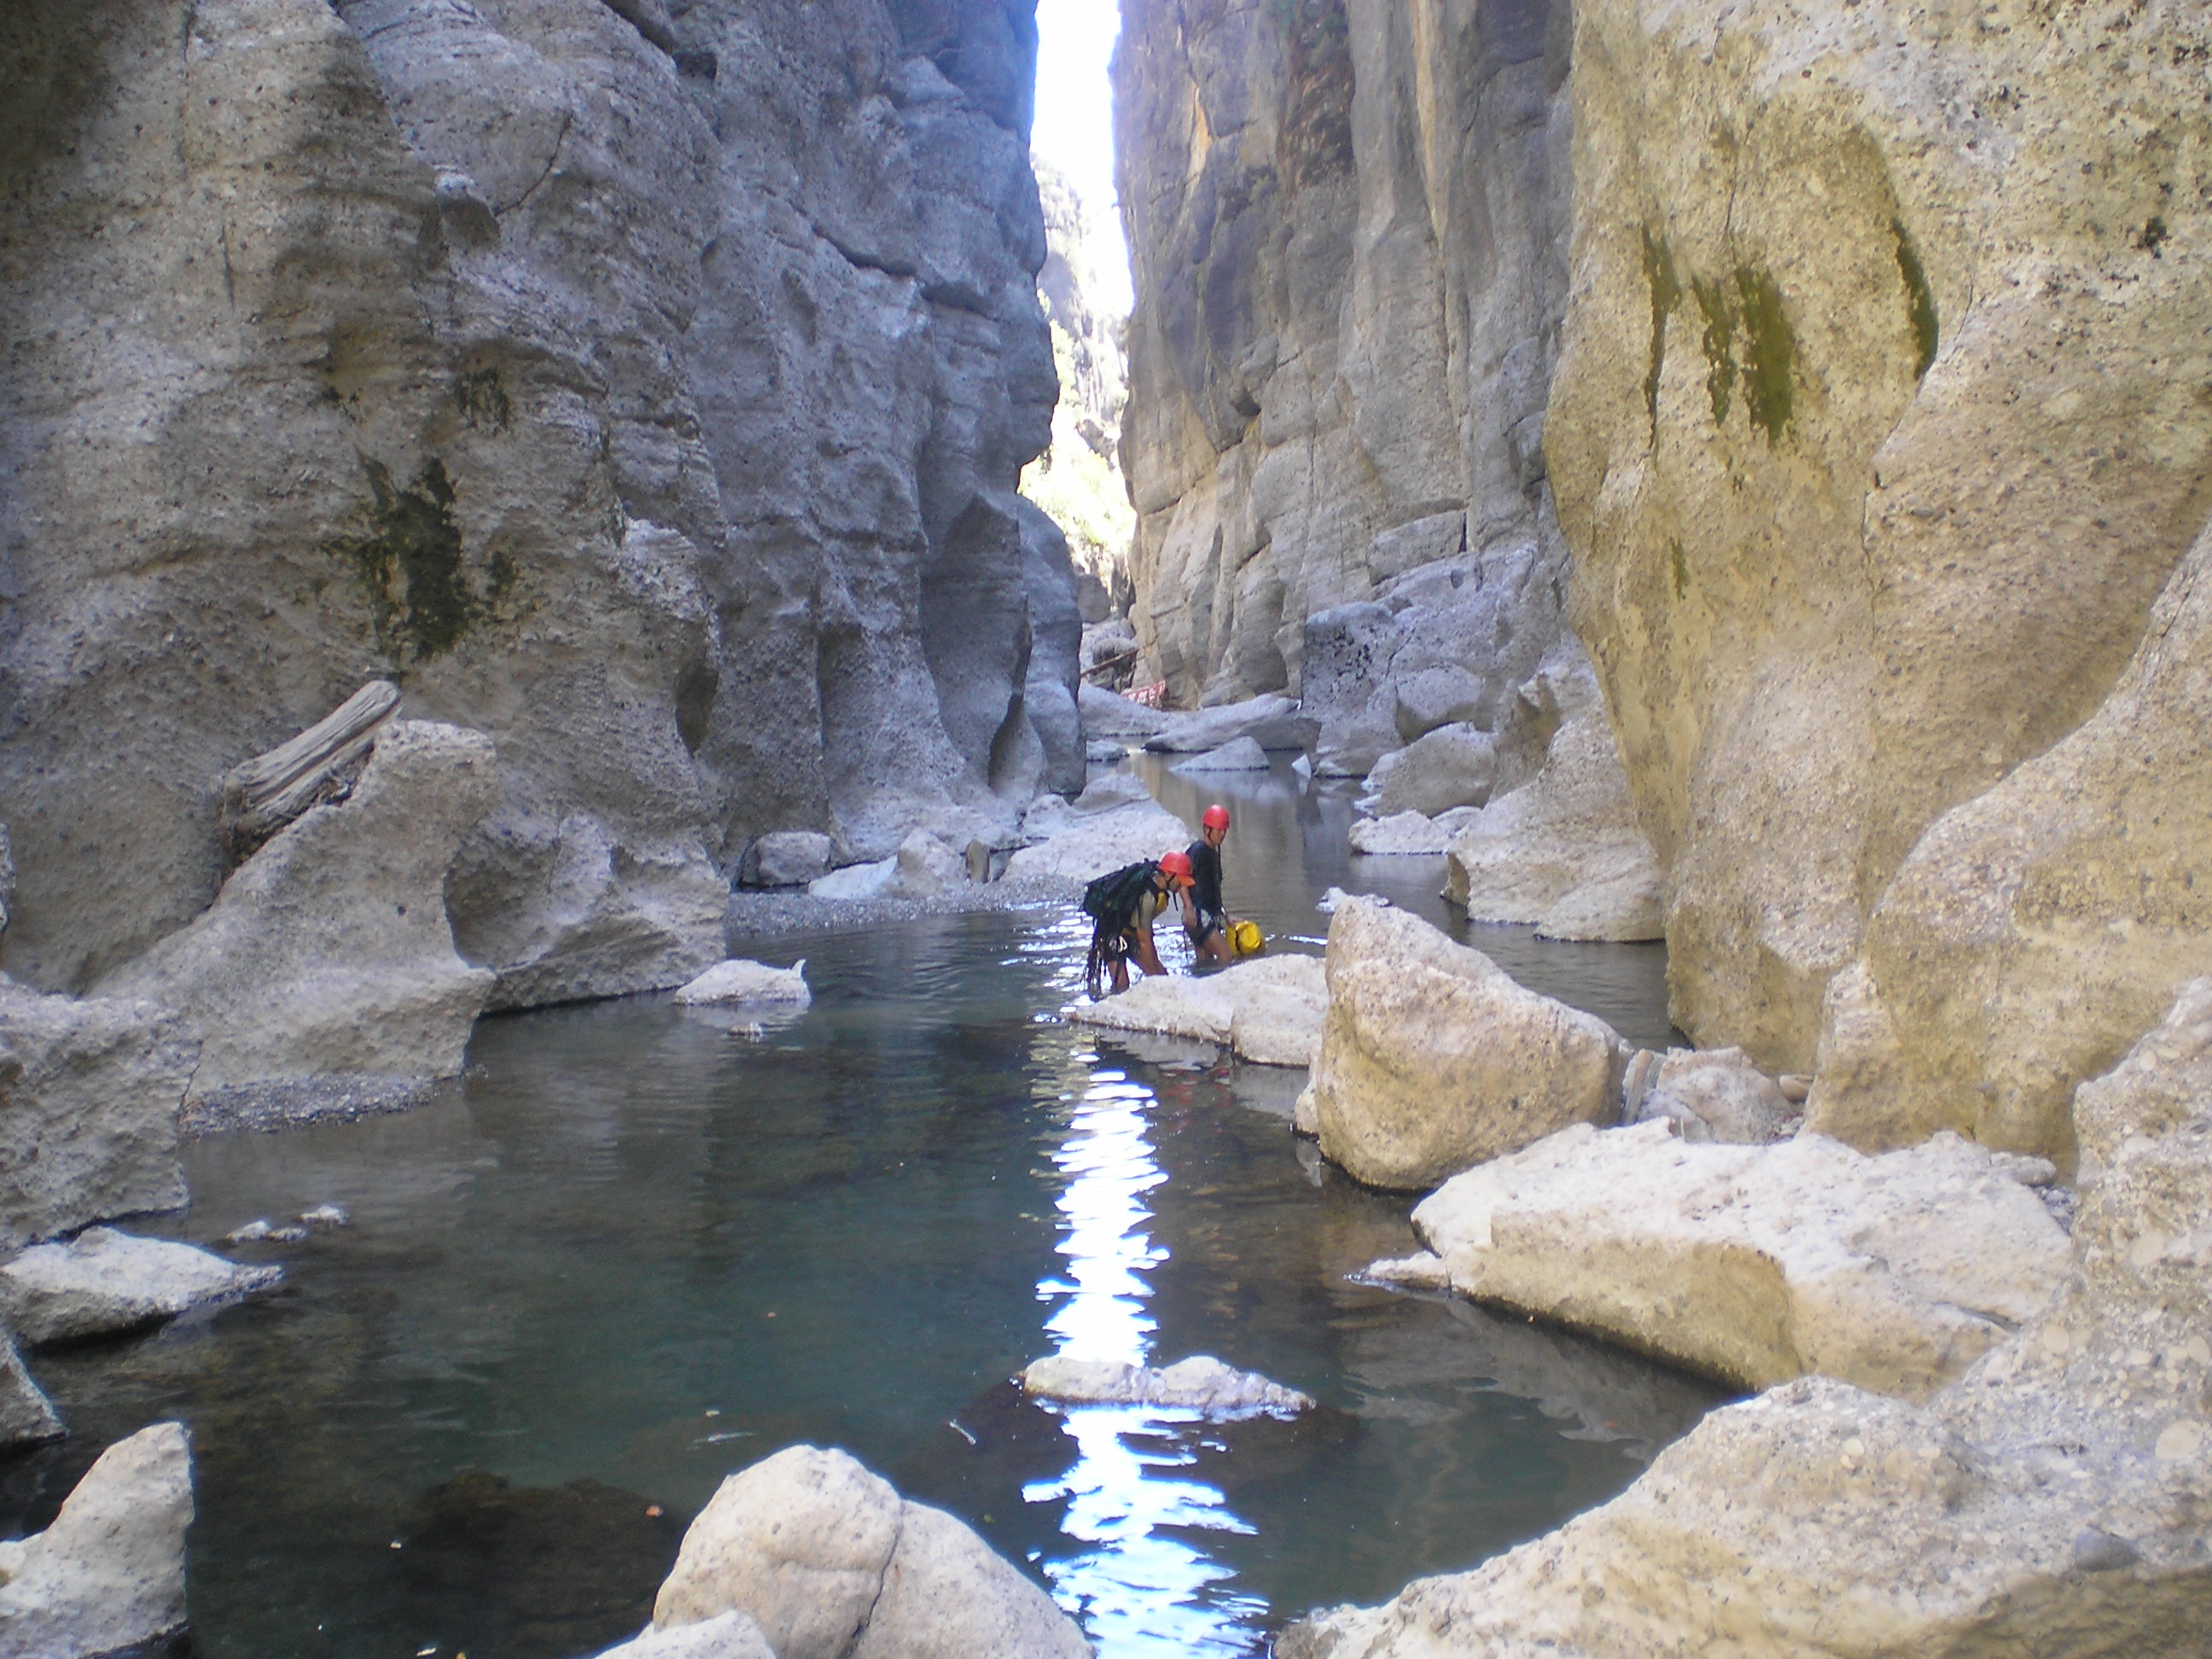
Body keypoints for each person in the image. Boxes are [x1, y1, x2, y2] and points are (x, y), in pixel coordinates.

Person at [1084, 852, 1196, 995]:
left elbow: (1146, 940)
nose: (1182, 885)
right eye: (1180, 880)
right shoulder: (1148, 897)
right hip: (1111, 934)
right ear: (1168, 874)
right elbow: (1145, 942)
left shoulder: (1158, 884)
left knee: (1162, 976)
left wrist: (1158, 972)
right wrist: (1156, 978)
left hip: (1131, 933)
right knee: (1122, 986)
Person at [1182, 804, 1236, 965]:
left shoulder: (1213, 853)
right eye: (1218, 830)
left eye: (1224, 830)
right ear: (1207, 829)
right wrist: (1189, 908)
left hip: (1208, 915)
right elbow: (1181, 878)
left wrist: (1225, 916)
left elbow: (1214, 890)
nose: (1222, 834)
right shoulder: (1197, 851)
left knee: (1205, 962)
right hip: (1198, 915)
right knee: (1226, 956)